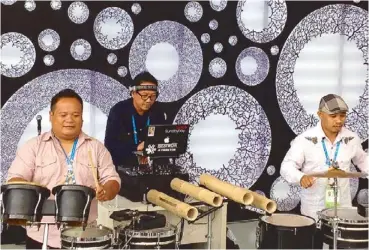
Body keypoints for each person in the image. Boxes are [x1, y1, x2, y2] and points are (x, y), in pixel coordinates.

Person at [6, 89, 121, 249]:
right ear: (51, 116)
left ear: (82, 118)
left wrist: (106, 190)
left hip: (84, 234)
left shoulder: (96, 148)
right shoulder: (33, 146)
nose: (70, 120)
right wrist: (28, 189)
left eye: (75, 115)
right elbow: (15, 178)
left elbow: (112, 179)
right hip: (42, 234)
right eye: (63, 115)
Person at [280, 94, 368, 248]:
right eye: (333, 116)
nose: (339, 120)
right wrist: (301, 177)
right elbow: (286, 166)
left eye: (342, 116)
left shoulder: (352, 139)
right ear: (320, 114)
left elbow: (363, 161)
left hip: (343, 211)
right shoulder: (305, 139)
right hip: (313, 212)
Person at [104, 71, 167, 167]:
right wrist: (137, 147)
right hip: (122, 167)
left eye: (153, 96)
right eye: (144, 95)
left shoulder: (158, 112)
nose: (149, 100)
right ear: (133, 93)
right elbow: (110, 146)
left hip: (152, 167)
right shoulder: (118, 111)